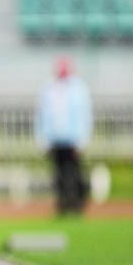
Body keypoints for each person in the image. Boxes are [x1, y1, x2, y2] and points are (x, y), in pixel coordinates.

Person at [34, 57, 92, 215]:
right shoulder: (49, 88)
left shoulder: (79, 88)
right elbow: (42, 115)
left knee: (73, 172)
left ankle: (76, 203)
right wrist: (43, 138)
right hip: (55, 138)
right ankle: (63, 203)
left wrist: (83, 139)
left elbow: (84, 115)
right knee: (59, 173)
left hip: (72, 138)